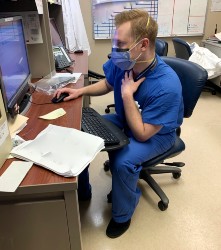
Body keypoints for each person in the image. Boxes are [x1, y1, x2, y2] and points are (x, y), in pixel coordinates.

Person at [53, 9, 184, 238]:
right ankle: (82, 190)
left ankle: (122, 216)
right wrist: (79, 92)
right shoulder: (125, 62)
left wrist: (127, 96)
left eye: (121, 44)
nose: (115, 50)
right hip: (126, 120)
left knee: (122, 161)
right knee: (79, 132)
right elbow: (108, 83)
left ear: (143, 45)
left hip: (156, 135)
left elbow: (143, 134)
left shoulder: (167, 85)